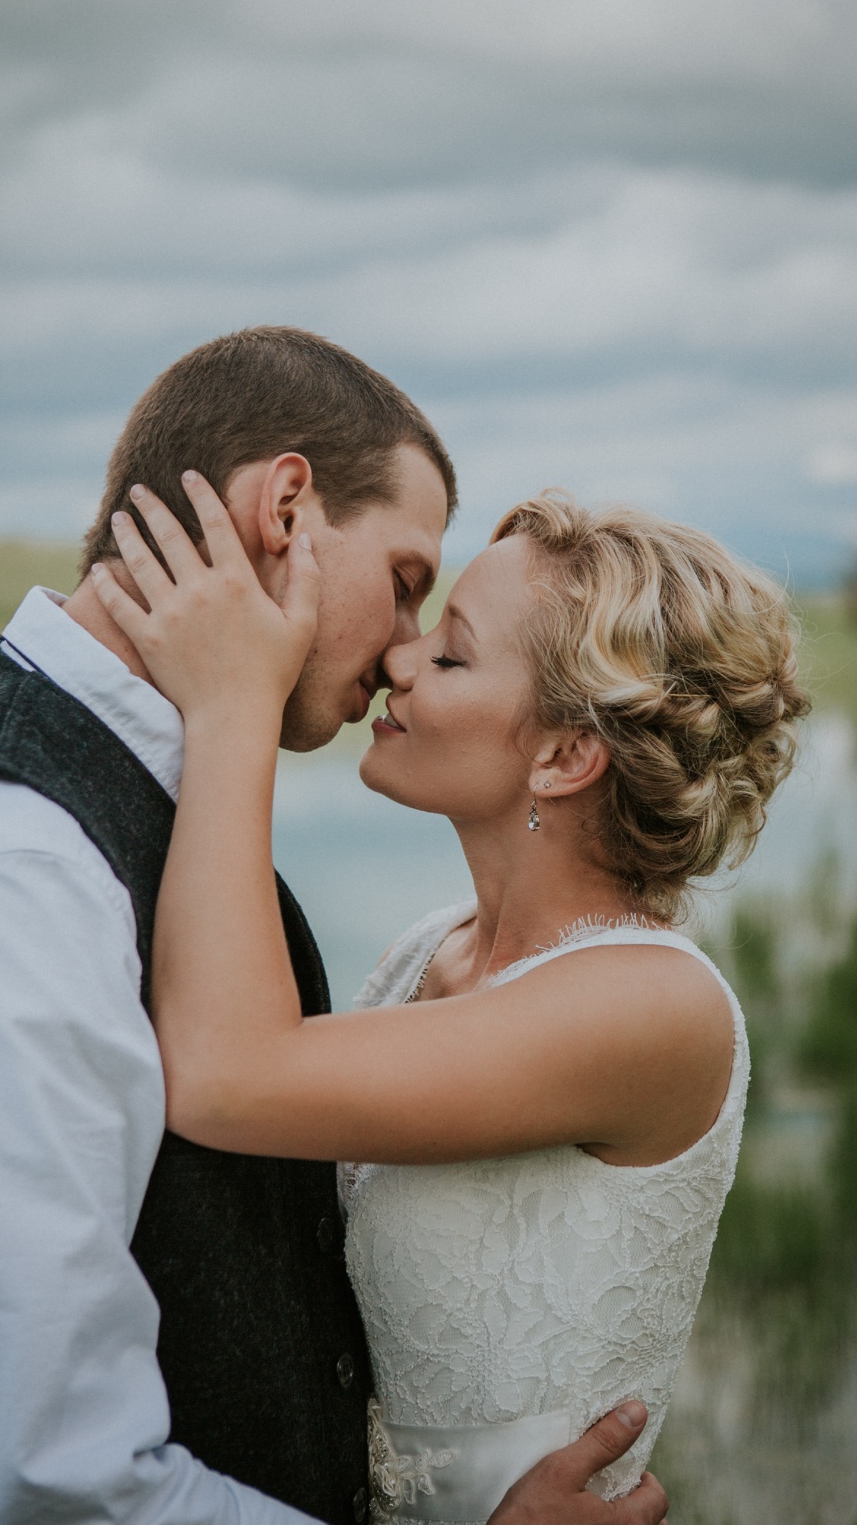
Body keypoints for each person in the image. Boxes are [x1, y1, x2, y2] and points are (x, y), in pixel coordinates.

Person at [0, 327, 668, 1523]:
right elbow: (48, 1487)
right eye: (401, 579)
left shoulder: (151, 816)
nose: (398, 649)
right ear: (284, 508)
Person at [94, 477, 801, 1522]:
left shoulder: (649, 1007)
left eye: (451, 653)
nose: (397, 655)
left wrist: (232, 703)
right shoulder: (430, 948)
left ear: (563, 755)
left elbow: (224, 1074)